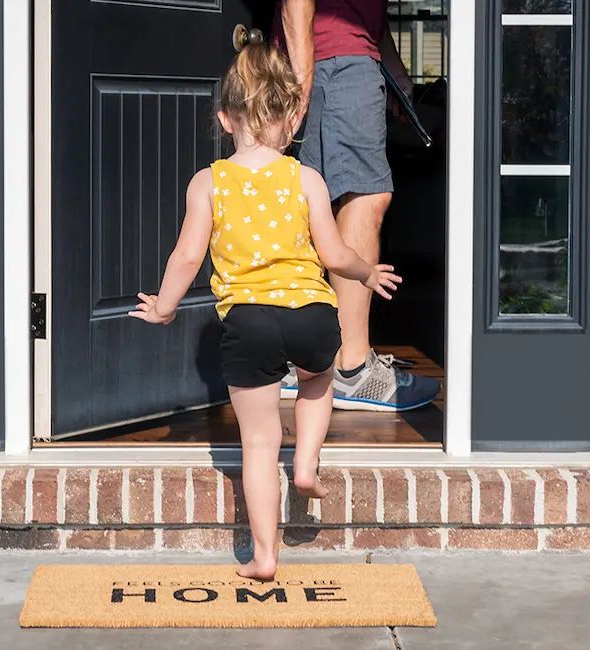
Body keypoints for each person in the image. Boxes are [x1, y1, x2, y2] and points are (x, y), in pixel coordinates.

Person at [129, 31, 400, 580]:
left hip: (249, 320)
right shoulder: (308, 180)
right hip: (313, 314)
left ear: (226, 119)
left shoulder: (208, 183)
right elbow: (334, 253)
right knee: (318, 383)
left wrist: (164, 306)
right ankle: (306, 464)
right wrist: (367, 272)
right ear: (292, 120)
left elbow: (186, 257)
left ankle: (265, 555)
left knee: (257, 441)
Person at [274, 0, 441, 412]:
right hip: (332, 61)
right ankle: (350, 369)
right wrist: (302, 78)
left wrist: (392, 66)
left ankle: (313, 363)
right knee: (362, 197)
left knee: (331, 198)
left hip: (347, 57)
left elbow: (361, 10)